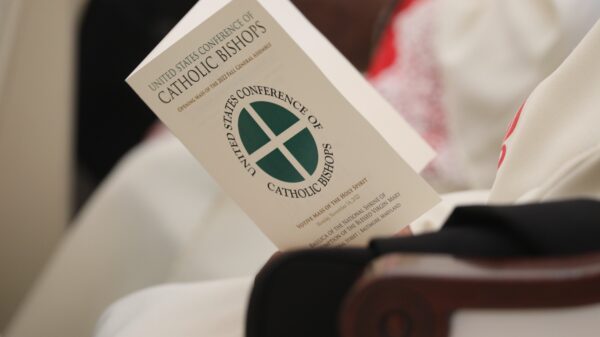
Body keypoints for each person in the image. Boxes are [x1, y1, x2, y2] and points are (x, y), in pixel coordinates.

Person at [5, 1, 600, 337]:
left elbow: (553, 193)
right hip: (487, 225)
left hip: (496, 269)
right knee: (155, 179)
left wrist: (424, 234)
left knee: (141, 313)